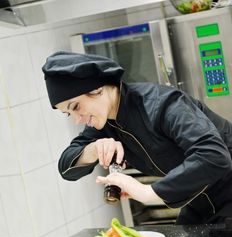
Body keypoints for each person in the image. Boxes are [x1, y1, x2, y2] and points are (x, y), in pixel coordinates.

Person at [42, 51, 232, 225]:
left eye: (75, 107)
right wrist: (94, 149)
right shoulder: (103, 124)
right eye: (68, 114)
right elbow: (66, 168)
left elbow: (214, 156)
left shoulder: (163, 104)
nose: (77, 119)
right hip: (199, 200)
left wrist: (148, 192)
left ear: (97, 89)